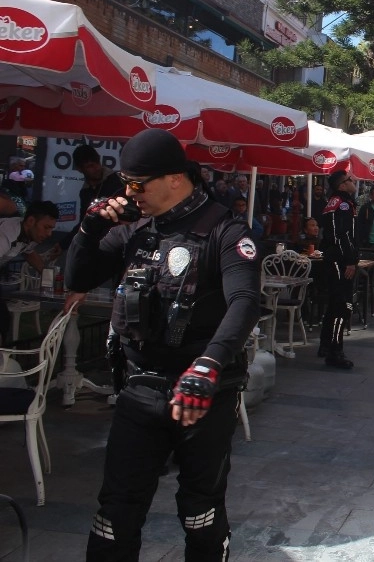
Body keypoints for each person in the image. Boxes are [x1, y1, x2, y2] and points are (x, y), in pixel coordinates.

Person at [64, 128, 259, 561]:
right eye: (125, 184)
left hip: (203, 395)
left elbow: (245, 301)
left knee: (199, 512)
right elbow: (76, 278)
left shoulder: (224, 230)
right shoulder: (137, 229)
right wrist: (89, 228)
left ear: (174, 178)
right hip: (141, 389)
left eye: (137, 184)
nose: (129, 193)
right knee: (115, 514)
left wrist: (208, 365)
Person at [0, 201, 58, 345]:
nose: (49, 234)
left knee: (2, 318)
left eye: (51, 229)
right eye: (46, 227)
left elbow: (30, 253)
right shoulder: (6, 233)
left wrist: (51, 280)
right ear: (31, 221)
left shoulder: (28, 235)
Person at [318, 170, 359, 369]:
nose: (354, 182)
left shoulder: (336, 202)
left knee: (334, 303)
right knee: (342, 306)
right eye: (350, 180)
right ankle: (335, 351)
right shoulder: (342, 204)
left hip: (334, 258)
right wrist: (350, 261)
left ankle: (326, 345)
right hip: (340, 260)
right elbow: (342, 235)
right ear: (342, 185)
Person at [59, 144, 124, 250]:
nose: (96, 168)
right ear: (80, 169)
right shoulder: (85, 192)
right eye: (90, 166)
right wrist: (63, 245)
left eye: (97, 163)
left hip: (118, 242)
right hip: (96, 246)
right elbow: (84, 223)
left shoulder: (117, 181)